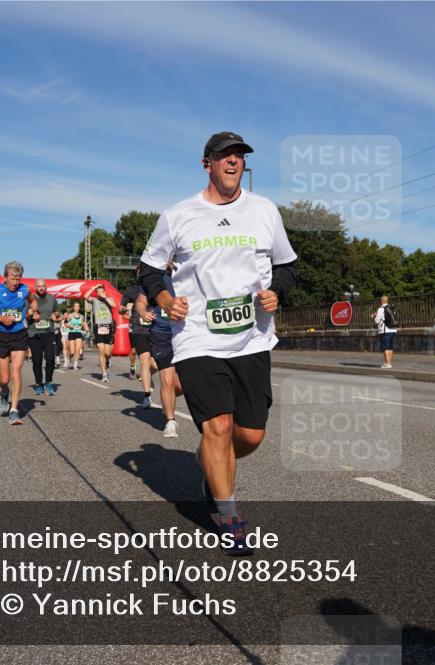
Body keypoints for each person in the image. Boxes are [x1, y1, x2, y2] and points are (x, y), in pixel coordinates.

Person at [139, 131, 297, 555]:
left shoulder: (264, 210)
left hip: (252, 337)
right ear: (206, 163)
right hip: (197, 337)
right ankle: (229, 518)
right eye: (224, 156)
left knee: (249, 435)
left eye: (239, 156)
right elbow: (149, 270)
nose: (233, 162)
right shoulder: (178, 215)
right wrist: (167, 300)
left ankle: (211, 468)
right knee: (218, 427)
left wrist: (277, 293)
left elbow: (286, 265)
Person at [0, 261, 36, 425]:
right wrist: (0, 318)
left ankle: (14, 410)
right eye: (12, 278)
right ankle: (4, 392)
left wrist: (33, 310)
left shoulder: (25, 289)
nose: (15, 282)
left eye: (18, 279)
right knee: (4, 379)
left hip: (19, 334)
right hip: (1, 336)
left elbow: (33, 301)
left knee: (16, 372)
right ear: (5, 277)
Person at [141, 262, 183, 438]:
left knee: (181, 384)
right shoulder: (154, 278)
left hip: (186, 334)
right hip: (161, 334)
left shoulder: (188, 275)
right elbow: (140, 302)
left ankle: (169, 401)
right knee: (167, 379)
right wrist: (143, 312)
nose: (171, 259)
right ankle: (170, 421)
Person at [120, 269, 156, 407]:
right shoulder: (131, 291)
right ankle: (147, 396)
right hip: (139, 330)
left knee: (155, 364)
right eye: (139, 273)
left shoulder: (157, 288)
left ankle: (146, 376)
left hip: (155, 330)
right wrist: (124, 309)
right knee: (145, 362)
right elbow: (120, 308)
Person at [27, 279, 60, 396]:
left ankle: (48, 382)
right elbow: (24, 316)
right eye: (39, 286)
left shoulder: (52, 299)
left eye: (43, 286)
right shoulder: (30, 299)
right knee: (37, 360)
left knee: (50, 358)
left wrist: (55, 315)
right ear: (35, 287)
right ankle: (38, 384)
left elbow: (57, 313)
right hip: (34, 333)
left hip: (48, 332)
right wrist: (30, 314)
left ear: (46, 287)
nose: (41, 288)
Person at [85, 284, 117, 383]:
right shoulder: (94, 300)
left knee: (108, 353)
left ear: (104, 292)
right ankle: (104, 374)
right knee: (101, 351)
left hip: (108, 327)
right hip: (98, 326)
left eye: (101, 291)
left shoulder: (109, 298)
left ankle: (108, 360)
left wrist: (105, 297)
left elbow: (114, 305)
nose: (100, 294)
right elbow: (85, 297)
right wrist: (93, 288)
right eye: (98, 292)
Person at [373, 295, 397, 369]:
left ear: (381, 301)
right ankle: (389, 363)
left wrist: (374, 316)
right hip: (393, 329)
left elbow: (377, 321)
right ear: (387, 301)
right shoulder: (392, 308)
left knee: (385, 347)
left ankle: (387, 363)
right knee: (390, 347)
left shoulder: (381, 309)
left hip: (385, 330)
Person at [65, 302, 85, 370]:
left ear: (79, 308)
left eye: (78, 306)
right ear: (73, 307)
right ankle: (69, 358)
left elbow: (82, 324)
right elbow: (65, 323)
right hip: (72, 333)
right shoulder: (70, 315)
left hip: (79, 333)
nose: (77, 308)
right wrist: (69, 325)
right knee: (72, 351)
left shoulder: (82, 316)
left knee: (78, 349)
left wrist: (84, 326)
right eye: (75, 306)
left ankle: (75, 364)